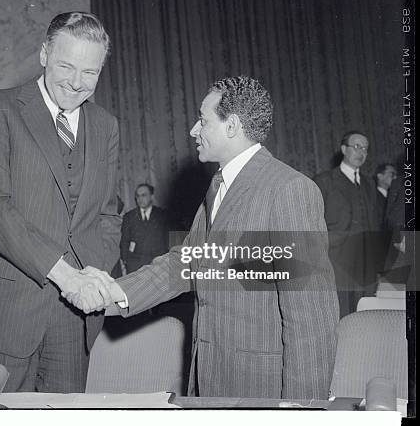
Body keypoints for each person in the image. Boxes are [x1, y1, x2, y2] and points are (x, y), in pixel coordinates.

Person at [71, 76, 339, 400]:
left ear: (232, 126)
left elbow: (311, 321)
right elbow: (182, 265)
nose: (193, 131)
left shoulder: (289, 190)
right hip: (209, 384)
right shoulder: (216, 189)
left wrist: (303, 413)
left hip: (259, 393)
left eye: (203, 119)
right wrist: (112, 292)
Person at [0, 12, 122, 393]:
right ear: (44, 54)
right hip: (7, 311)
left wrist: (92, 280)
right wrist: (67, 277)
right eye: (66, 65)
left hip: (75, 315)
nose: (77, 82)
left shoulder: (106, 125)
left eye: (90, 72)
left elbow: (108, 216)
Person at [314, 131, 381, 317]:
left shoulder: (369, 184)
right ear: (344, 149)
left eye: (365, 149)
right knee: (340, 315)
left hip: (366, 263)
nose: (361, 152)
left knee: (365, 316)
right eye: (357, 147)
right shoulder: (324, 181)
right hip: (336, 260)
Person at [120, 183, 169, 274]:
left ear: (152, 196)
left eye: (144, 195)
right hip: (135, 266)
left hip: (158, 264)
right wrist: (126, 260)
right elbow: (124, 241)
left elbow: (168, 239)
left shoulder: (163, 215)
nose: (140, 199)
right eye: (137, 196)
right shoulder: (129, 216)